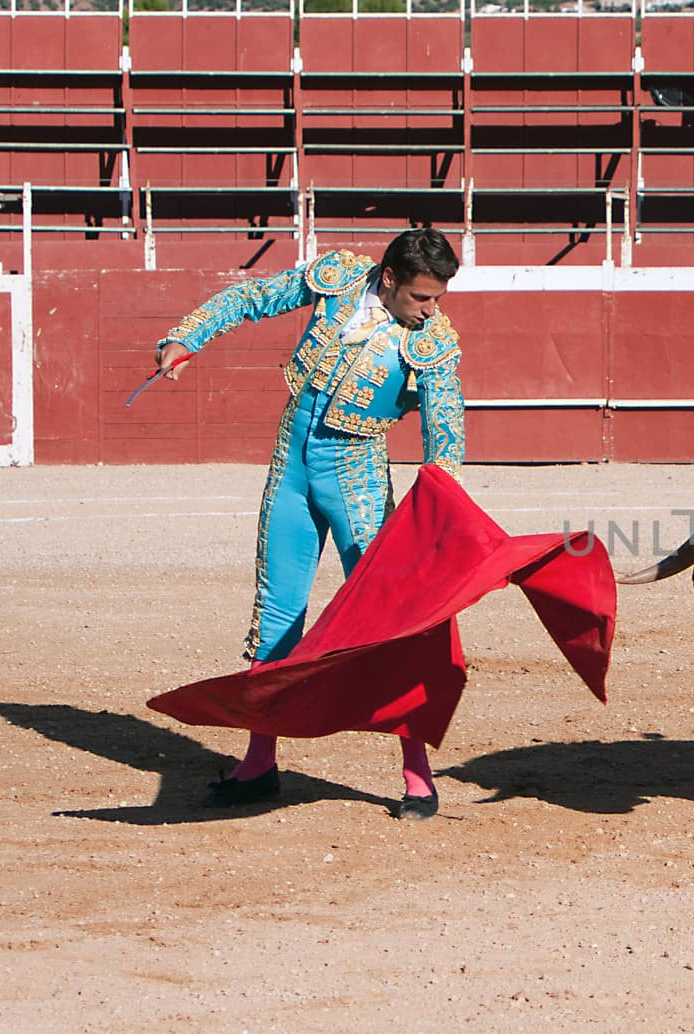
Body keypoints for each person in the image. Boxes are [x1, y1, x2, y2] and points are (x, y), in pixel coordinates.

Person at [154, 228, 465, 820]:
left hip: (360, 478)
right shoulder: (340, 278)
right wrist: (186, 337)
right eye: (422, 298)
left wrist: (439, 501)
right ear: (391, 279)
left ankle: (417, 773)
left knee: (390, 621)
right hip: (291, 465)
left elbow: (445, 433)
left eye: (439, 299)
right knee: (277, 612)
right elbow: (252, 298)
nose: (432, 311)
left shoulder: (434, 341)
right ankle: (259, 762)